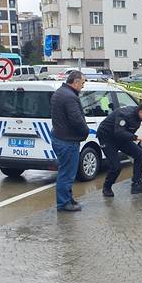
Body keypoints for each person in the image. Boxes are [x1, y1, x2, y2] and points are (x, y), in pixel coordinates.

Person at [50, 71, 90, 212]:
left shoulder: (60, 92)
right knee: (67, 174)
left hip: (60, 137)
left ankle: (68, 198)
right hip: (67, 141)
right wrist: (86, 131)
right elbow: (76, 119)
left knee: (66, 172)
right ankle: (63, 203)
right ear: (76, 82)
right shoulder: (70, 97)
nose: (83, 86)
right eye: (83, 83)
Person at [98, 102, 142, 197]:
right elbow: (119, 132)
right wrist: (135, 137)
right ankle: (106, 188)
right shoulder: (125, 114)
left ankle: (136, 185)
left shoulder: (138, 117)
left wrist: (133, 139)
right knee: (115, 166)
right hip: (107, 138)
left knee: (139, 154)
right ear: (141, 112)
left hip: (121, 138)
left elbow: (125, 133)